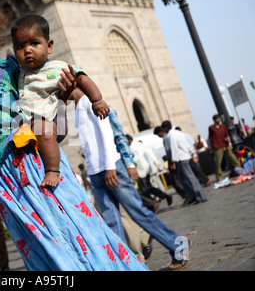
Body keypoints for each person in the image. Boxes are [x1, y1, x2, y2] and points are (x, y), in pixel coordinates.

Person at [0, 0, 148, 271]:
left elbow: (56, 128)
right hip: (9, 186)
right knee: (49, 257)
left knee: (85, 235)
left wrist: (64, 100)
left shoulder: (12, 68)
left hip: (48, 167)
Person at [71, 88, 191, 271]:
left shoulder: (99, 105)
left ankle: (177, 243)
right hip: (95, 173)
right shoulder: (76, 111)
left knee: (137, 213)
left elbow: (118, 137)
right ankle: (124, 266)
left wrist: (128, 165)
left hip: (112, 168)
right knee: (111, 223)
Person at [11, 14, 109, 187]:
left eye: (34, 43)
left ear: (49, 46)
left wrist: (97, 100)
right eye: (20, 46)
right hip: (29, 121)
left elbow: (81, 78)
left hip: (52, 118)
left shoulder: (57, 68)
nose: (27, 50)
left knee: (44, 131)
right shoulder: (19, 71)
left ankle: (53, 170)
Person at [162, 121, 207, 204]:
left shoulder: (171, 136)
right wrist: (193, 153)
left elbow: (174, 149)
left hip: (181, 159)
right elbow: (188, 144)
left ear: (165, 128)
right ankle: (194, 196)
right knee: (182, 178)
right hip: (187, 156)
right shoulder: (179, 133)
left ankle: (200, 197)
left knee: (191, 178)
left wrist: (173, 162)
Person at [126, 134, 173, 210]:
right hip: (147, 168)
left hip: (140, 171)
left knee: (144, 190)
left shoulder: (131, 148)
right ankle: (164, 196)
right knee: (149, 187)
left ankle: (152, 205)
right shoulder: (139, 144)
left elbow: (135, 160)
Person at [154, 127, 189, 202]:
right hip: (174, 160)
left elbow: (171, 151)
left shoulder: (166, 138)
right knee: (177, 179)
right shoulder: (167, 137)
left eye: (157, 134)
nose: (158, 136)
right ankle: (187, 194)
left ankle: (186, 195)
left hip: (172, 161)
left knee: (175, 180)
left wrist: (172, 163)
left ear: (160, 132)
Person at [208, 114, 241, 182]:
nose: (219, 120)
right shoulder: (211, 127)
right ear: (214, 120)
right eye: (217, 119)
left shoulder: (223, 126)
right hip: (217, 147)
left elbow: (227, 135)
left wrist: (230, 143)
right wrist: (211, 148)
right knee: (218, 162)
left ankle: (240, 169)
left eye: (219, 118)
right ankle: (219, 177)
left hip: (225, 145)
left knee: (233, 158)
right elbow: (210, 138)